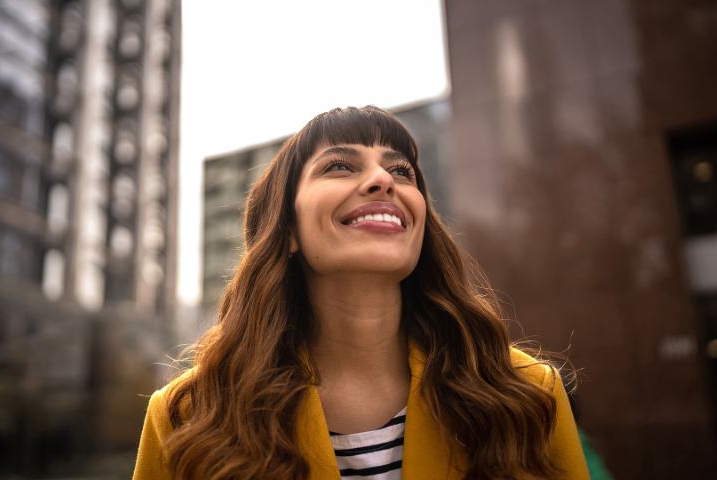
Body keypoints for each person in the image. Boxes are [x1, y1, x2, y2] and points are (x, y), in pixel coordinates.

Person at [133, 106, 590, 479]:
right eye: (339, 165)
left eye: (401, 170)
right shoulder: (185, 418)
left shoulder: (526, 393)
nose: (383, 180)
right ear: (288, 229)